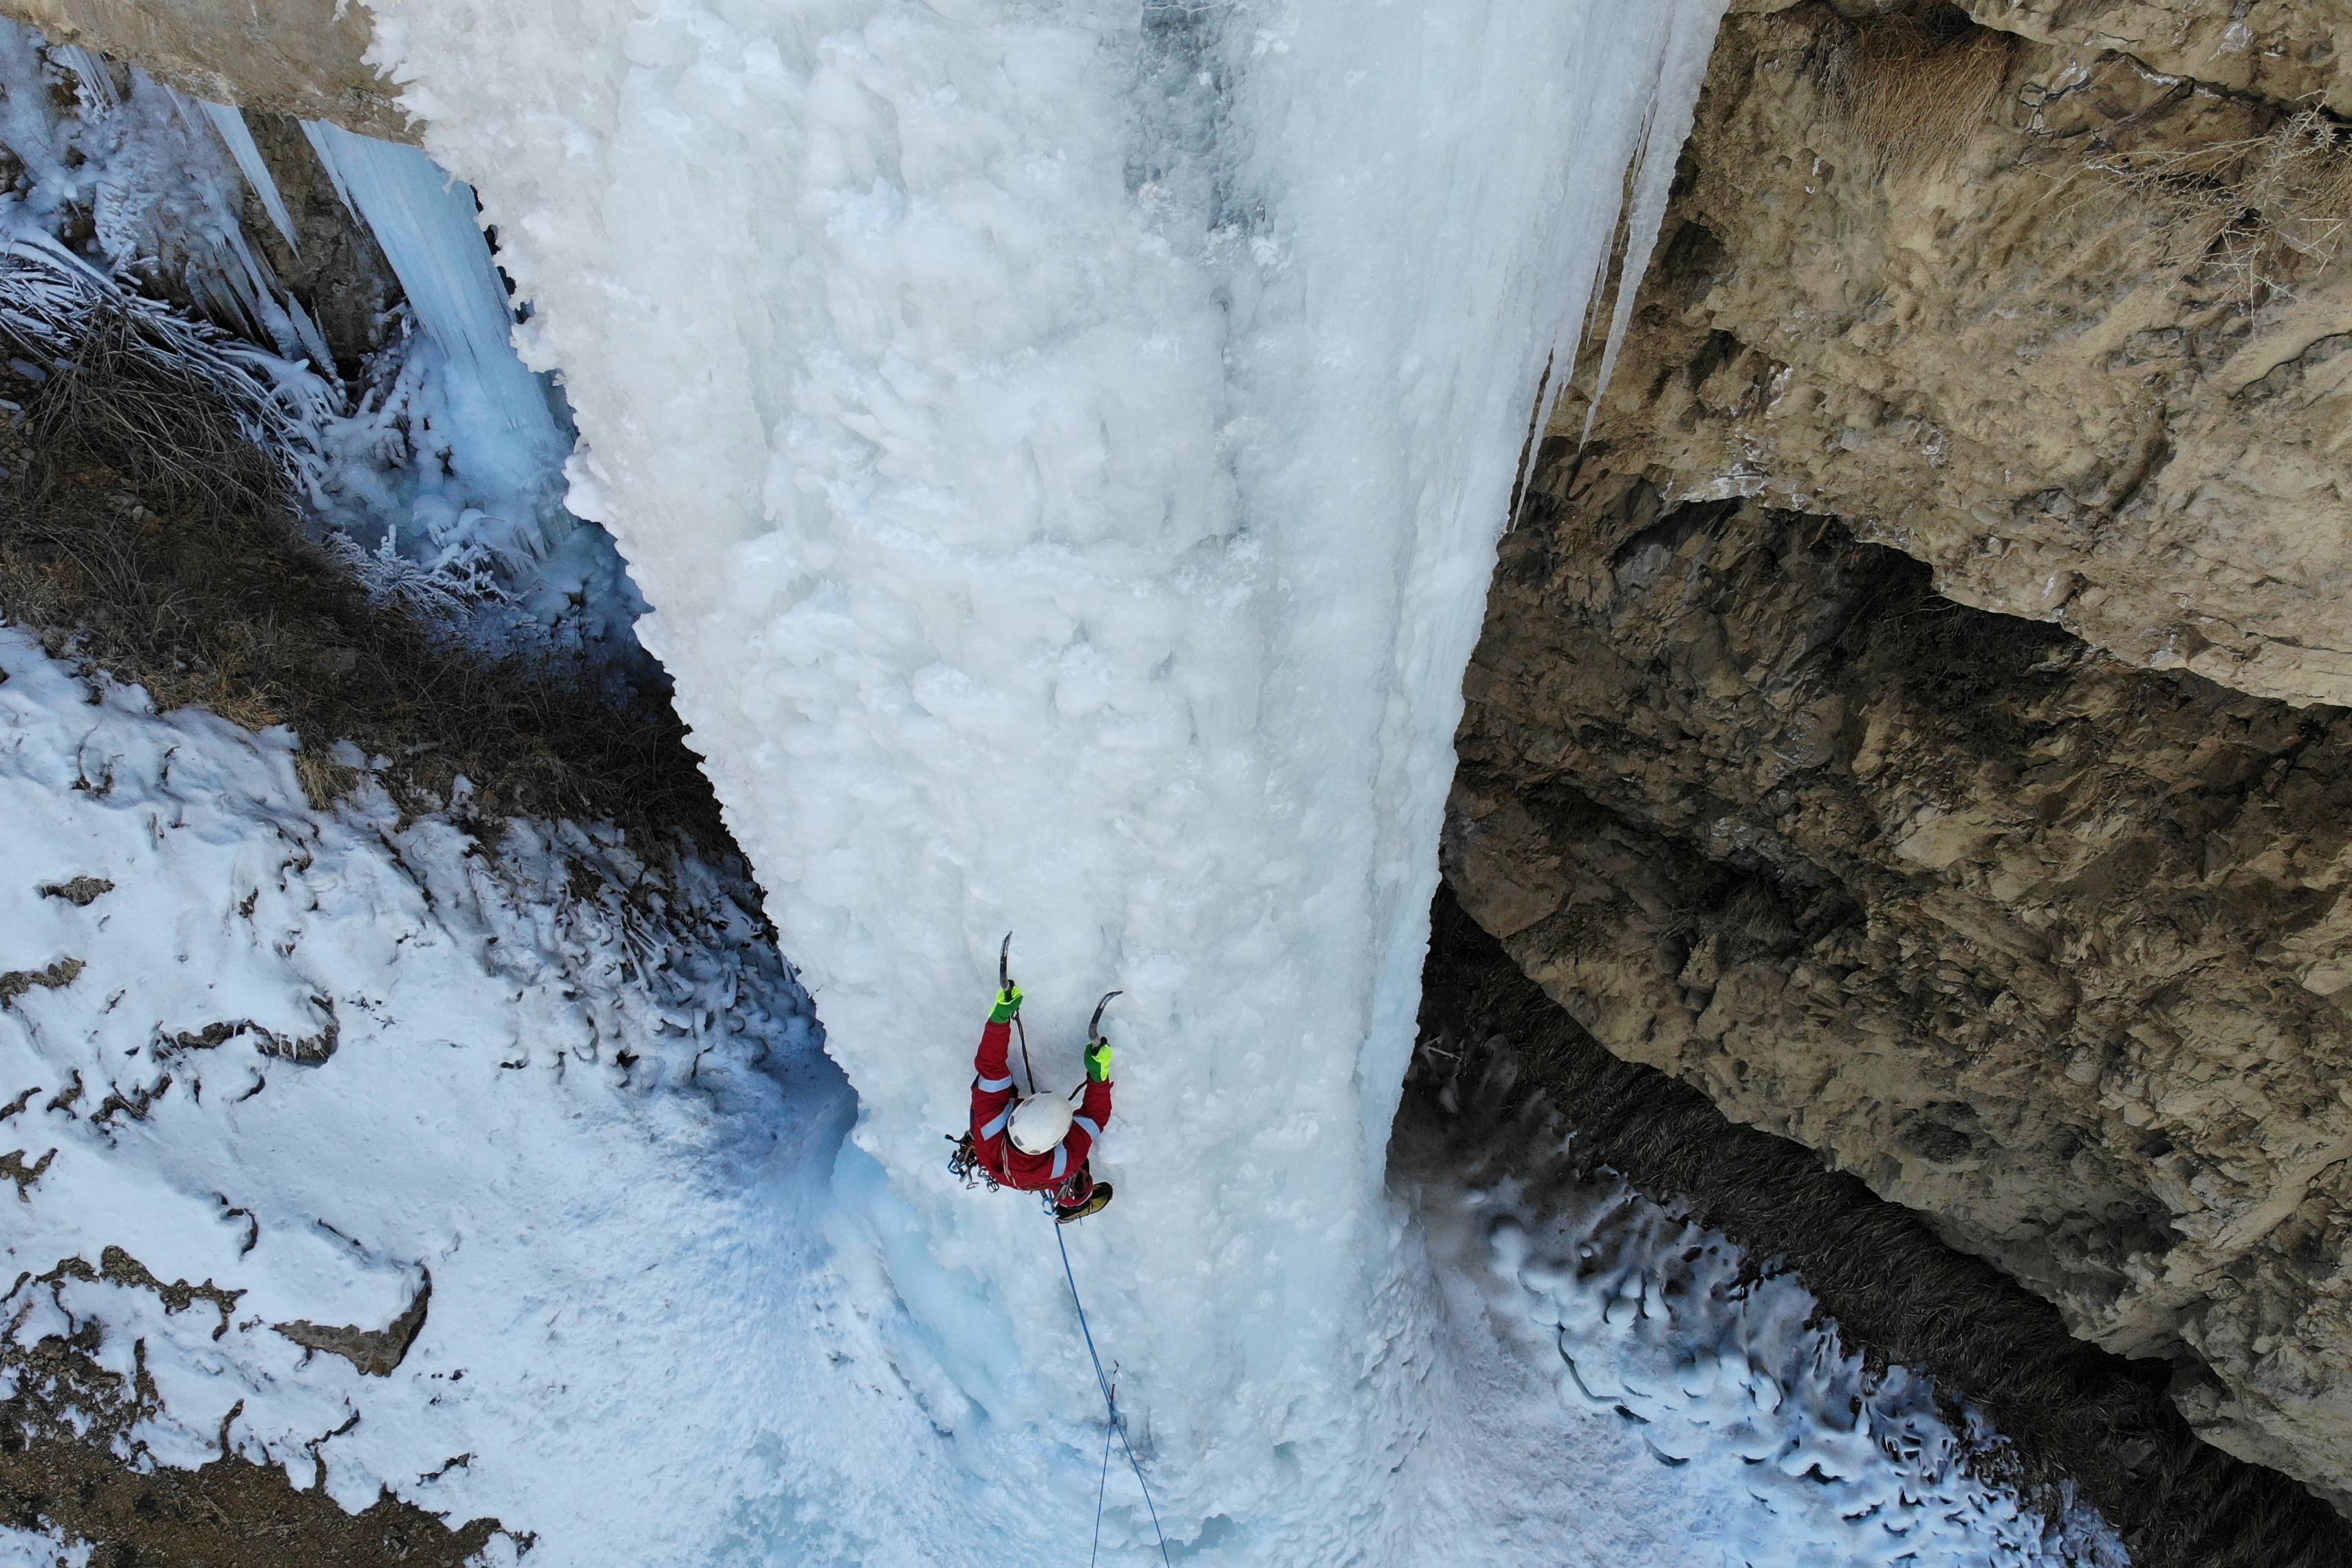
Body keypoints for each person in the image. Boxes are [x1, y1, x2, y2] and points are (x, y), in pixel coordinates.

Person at [965, 983, 1115, 1222]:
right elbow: (1095, 1118)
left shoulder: (990, 1122)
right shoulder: (1064, 1162)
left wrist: (1000, 1018)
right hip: (1022, 1168)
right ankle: (1074, 1204)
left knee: (988, 1086)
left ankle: (1070, 1203)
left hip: (999, 1158)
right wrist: (1100, 1076)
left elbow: (991, 1067)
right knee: (1074, 1192)